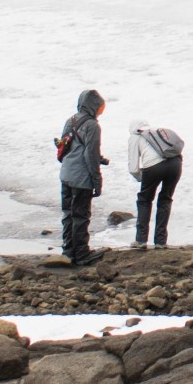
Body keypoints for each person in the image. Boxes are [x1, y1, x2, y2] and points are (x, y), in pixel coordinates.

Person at [56, 88, 107, 264]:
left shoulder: (71, 120)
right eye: (100, 107)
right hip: (81, 178)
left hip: (66, 174)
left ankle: (68, 251)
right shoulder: (92, 126)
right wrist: (97, 181)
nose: (101, 111)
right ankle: (82, 254)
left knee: (68, 214)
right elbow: (89, 155)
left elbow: (67, 147)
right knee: (81, 216)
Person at [128, 123, 184, 248]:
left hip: (153, 167)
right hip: (175, 163)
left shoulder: (135, 137)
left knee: (144, 200)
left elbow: (133, 168)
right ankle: (160, 242)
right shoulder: (155, 133)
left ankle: (141, 240)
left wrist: (140, 178)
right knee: (165, 199)